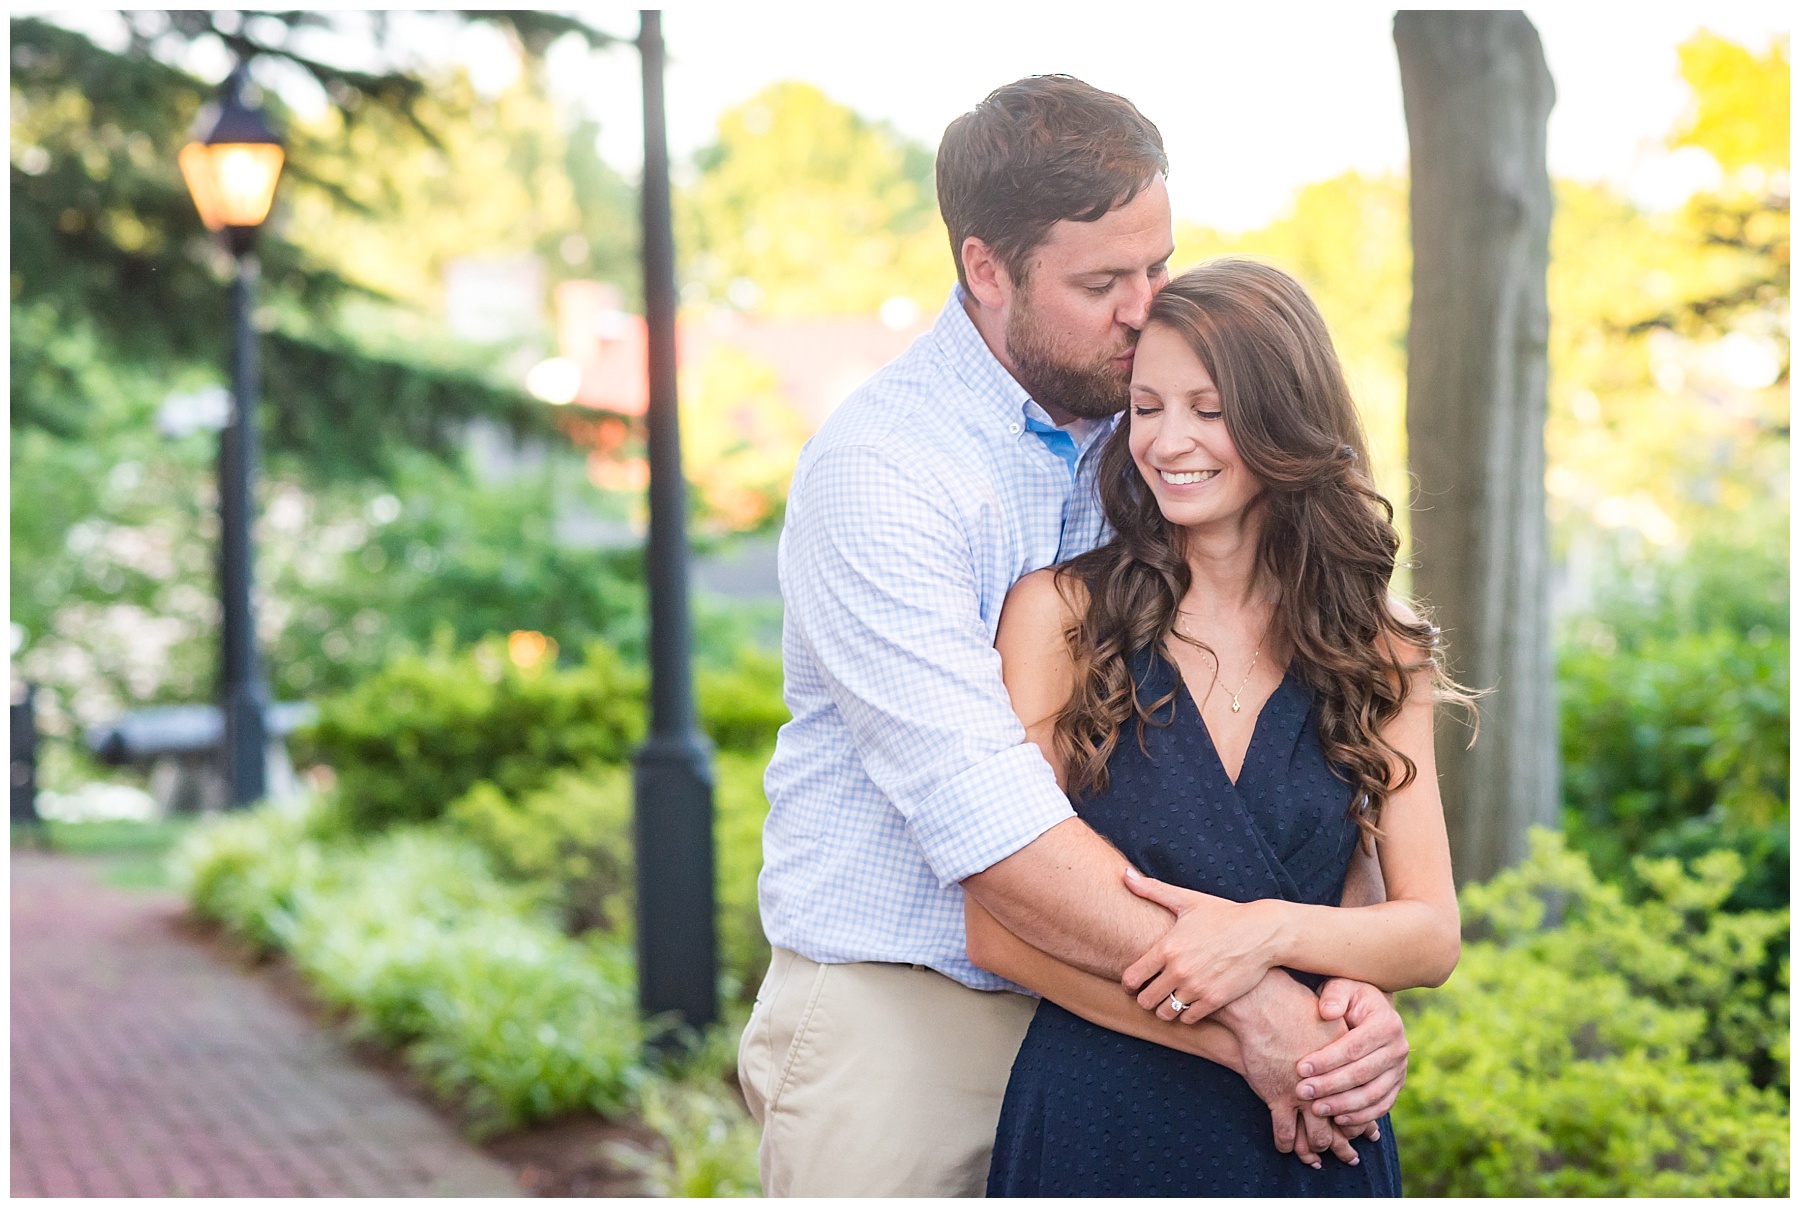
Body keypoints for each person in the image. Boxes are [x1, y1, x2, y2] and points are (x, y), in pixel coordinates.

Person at [738, 77, 1414, 1198]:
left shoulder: (1161, 427)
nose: (1147, 309)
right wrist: (1262, 1007)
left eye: (1157, 266)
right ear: (985, 270)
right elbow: (994, 819)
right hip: (912, 1027)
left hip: (1129, 1033)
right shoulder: (884, 470)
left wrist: (1349, 991)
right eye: (1104, 282)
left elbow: (1314, 728)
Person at [972, 258, 1467, 1196]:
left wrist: (1267, 934)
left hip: (1315, 1130)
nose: (1168, 440)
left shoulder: (1379, 647)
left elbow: (1430, 933)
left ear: (1283, 417)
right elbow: (1000, 932)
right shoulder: (1060, 616)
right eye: (1148, 405)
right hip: (1101, 1120)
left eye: (1208, 407)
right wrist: (1251, 1040)